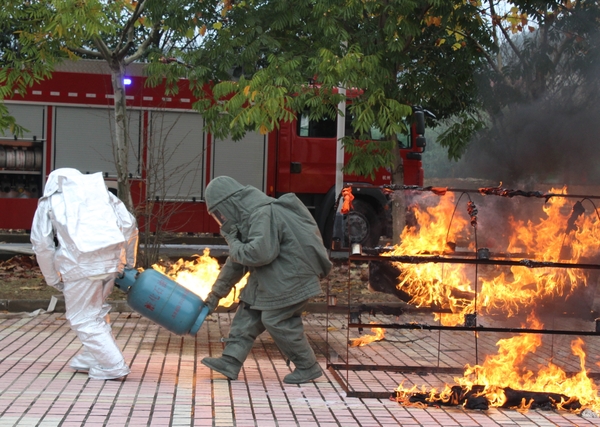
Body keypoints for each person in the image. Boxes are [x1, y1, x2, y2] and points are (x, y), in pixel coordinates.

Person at [201, 176, 333, 384]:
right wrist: (214, 296)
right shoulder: (249, 218)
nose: (222, 220)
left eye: (221, 213)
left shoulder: (262, 213)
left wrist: (232, 241)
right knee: (249, 309)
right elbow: (236, 263)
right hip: (277, 276)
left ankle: (307, 366)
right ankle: (230, 360)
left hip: (293, 278)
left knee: (276, 319)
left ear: (231, 203)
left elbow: (259, 254)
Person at [30, 168, 138, 380]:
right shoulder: (103, 194)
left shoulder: (50, 202)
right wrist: (128, 261)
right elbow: (129, 225)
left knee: (82, 318)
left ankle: (113, 365)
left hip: (79, 266)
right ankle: (93, 356)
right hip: (111, 263)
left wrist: (52, 277)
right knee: (95, 312)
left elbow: (42, 244)